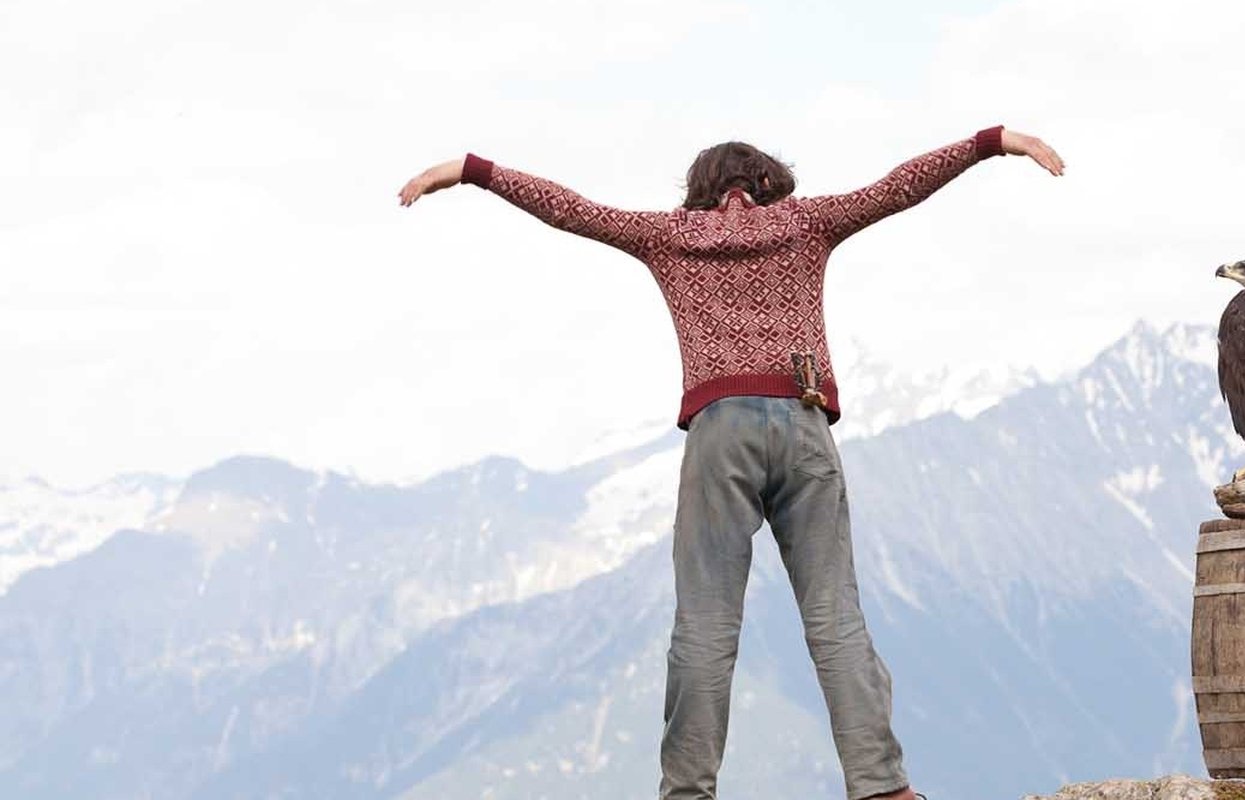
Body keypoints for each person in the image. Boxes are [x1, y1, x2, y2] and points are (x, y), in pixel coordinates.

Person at [397, 126, 1064, 800]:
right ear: (775, 184)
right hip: (804, 426)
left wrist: (475, 170)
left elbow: (571, 209)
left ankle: (688, 791)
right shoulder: (806, 224)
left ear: (699, 192)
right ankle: (882, 787)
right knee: (835, 617)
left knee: (705, 624)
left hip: (719, 434)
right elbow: (897, 189)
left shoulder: (670, 235)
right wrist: (992, 142)